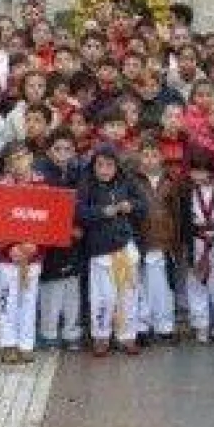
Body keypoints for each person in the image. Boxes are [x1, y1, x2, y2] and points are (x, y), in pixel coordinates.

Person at [78, 144, 148, 356]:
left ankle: (127, 336)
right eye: (100, 165)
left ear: (116, 166)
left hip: (124, 247)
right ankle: (101, 336)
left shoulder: (126, 183)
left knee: (128, 294)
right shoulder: (87, 185)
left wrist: (131, 206)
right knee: (103, 297)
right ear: (94, 166)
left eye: (109, 165)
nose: (105, 170)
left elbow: (143, 205)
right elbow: (79, 212)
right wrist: (102, 212)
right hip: (100, 251)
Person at [0, 142, 45, 364]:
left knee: (29, 300)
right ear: (7, 164)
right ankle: (8, 343)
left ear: (31, 157)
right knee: (7, 300)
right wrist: (8, 247)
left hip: (33, 254)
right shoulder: (0, 188)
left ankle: (26, 343)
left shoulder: (42, 186)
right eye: (14, 159)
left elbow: (47, 221)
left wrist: (36, 245)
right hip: (8, 256)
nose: (19, 163)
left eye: (23, 156)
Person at [35, 129, 86, 352]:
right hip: (51, 240)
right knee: (51, 286)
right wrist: (62, 229)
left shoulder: (79, 174)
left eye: (68, 149)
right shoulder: (42, 175)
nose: (63, 154)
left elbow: (83, 205)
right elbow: (43, 208)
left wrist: (78, 227)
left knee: (72, 285)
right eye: (58, 149)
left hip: (74, 238)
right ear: (49, 151)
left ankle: (71, 331)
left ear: (74, 152)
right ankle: (48, 332)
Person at [181, 145, 214, 343]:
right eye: (195, 170)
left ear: (211, 170)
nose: (198, 175)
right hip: (197, 241)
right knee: (196, 282)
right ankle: (201, 325)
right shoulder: (186, 191)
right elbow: (184, 219)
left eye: (203, 170)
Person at [133, 138, 182, 345]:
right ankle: (142, 326)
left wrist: (177, 243)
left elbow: (177, 214)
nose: (150, 159)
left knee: (163, 287)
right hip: (141, 241)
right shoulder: (133, 181)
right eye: (146, 155)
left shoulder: (170, 182)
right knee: (141, 286)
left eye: (154, 155)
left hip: (164, 241)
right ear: (139, 157)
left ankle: (165, 326)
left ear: (161, 157)